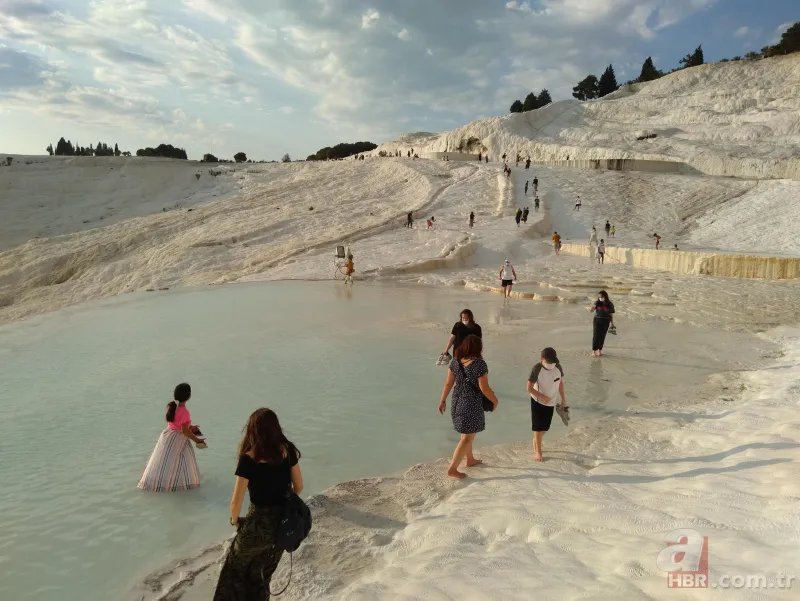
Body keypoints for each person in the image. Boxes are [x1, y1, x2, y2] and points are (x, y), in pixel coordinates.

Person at [213, 408, 303, 600]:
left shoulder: (249, 458)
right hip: (280, 527)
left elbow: (236, 501)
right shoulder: (287, 450)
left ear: (253, 430)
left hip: (257, 525)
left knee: (233, 573)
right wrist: (284, 502)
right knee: (261, 578)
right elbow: (299, 486)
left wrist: (235, 521)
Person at [438, 335, 499, 479]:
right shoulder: (479, 364)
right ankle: (452, 469)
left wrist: (442, 401)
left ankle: (469, 459)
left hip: (456, 402)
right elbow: (484, 389)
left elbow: (448, 383)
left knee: (466, 434)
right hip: (470, 403)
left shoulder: (455, 361)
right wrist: (495, 401)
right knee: (467, 438)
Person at [138, 383, 205, 492]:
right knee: (183, 462)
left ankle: (157, 481)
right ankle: (181, 484)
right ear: (188, 396)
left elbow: (176, 423)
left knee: (164, 461)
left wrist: (190, 427)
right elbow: (184, 430)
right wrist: (197, 440)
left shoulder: (171, 406)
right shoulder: (184, 412)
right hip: (178, 438)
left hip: (168, 435)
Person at [527, 348, 566, 462]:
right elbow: (529, 388)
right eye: (548, 361)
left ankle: (536, 440)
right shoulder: (536, 369)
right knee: (538, 427)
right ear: (542, 359)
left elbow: (560, 383)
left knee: (546, 427)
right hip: (537, 400)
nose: (551, 364)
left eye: (552, 361)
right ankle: (538, 451)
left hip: (551, 401)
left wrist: (563, 399)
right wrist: (542, 396)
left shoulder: (558, 367)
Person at [588, 290, 615, 357]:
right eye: (599, 296)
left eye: (602, 296)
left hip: (606, 321)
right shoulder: (597, 302)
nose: (600, 298)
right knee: (596, 335)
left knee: (602, 336)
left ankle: (599, 351)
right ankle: (594, 351)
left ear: (605, 296)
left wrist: (612, 323)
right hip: (597, 320)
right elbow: (592, 311)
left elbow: (611, 314)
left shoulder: (610, 304)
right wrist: (590, 308)